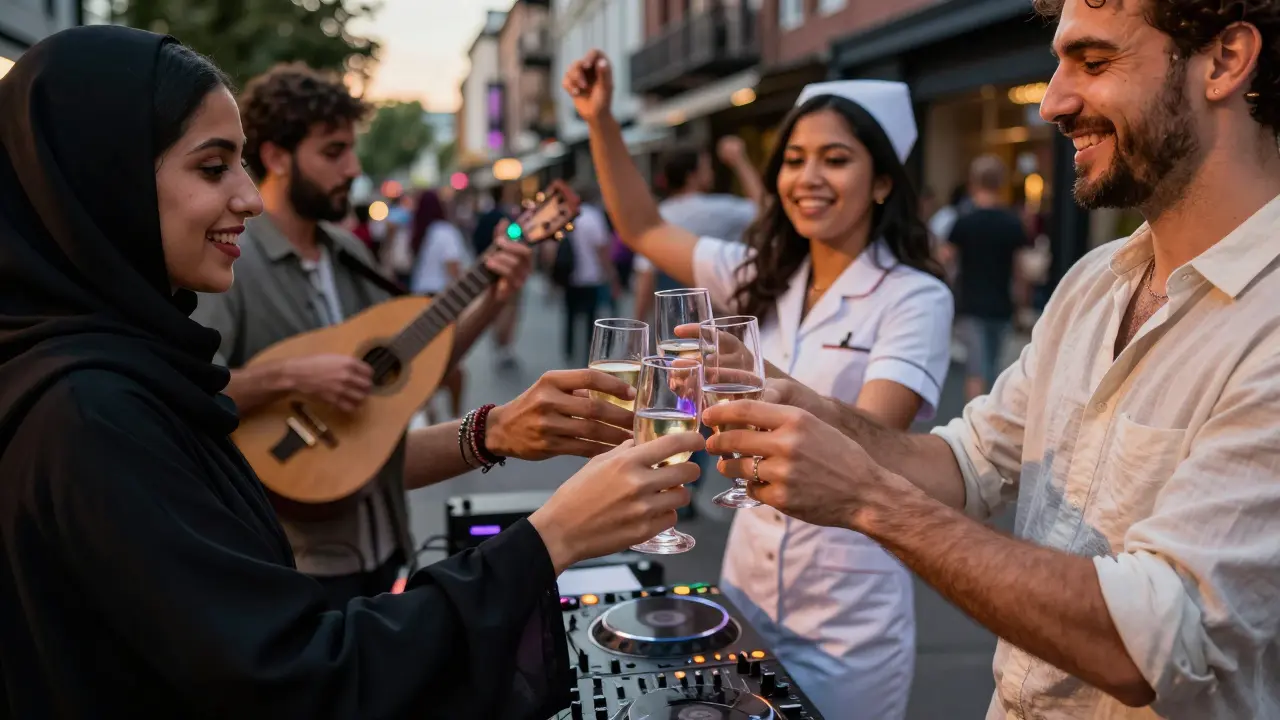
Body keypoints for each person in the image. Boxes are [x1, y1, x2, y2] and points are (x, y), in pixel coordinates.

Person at [0, 26, 705, 718]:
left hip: (373, 552)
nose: (245, 195)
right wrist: (553, 535)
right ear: (103, 177)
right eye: (214, 167)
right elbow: (294, 676)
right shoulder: (91, 412)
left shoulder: (130, 363)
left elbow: (381, 407)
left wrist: (491, 427)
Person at [706, 0, 1280, 717]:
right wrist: (817, 412)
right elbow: (969, 462)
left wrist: (867, 499)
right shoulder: (1092, 283)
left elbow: (1160, 637)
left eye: (1095, 63)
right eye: (1058, 65)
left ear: (1226, 60)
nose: (1052, 102)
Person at [564, 51, 954, 720]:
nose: (808, 177)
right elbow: (643, 227)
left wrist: (759, 381)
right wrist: (600, 120)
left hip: (844, 619)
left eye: (836, 159)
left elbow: (878, 441)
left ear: (883, 181)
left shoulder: (914, 297)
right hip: (742, 598)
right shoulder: (756, 274)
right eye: (795, 159)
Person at [188, 62, 642, 608]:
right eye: (333, 152)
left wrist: (494, 293)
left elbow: (410, 365)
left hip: (387, 545)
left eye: (352, 150)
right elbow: (186, 394)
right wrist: (291, 375)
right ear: (277, 157)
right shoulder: (231, 261)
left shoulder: (349, 253)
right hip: (294, 563)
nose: (354, 168)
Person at [631, 137, 763, 323]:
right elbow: (763, 209)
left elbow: (645, 275)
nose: (711, 172)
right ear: (692, 175)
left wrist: (639, 321)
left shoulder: (659, 216)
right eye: (706, 167)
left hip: (673, 319)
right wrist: (739, 161)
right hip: (719, 315)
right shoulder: (720, 209)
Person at [944, 154, 1030, 399]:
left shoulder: (963, 222)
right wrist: (1022, 305)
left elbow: (944, 261)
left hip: (970, 304)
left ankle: (974, 428)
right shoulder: (1012, 223)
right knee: (992, 369)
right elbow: (1020, 271)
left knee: (976, 370)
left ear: (973, 183)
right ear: (1001, 183)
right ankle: (987, 423)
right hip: (1001, 305)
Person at [409, 188, 470, 420]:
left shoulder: (417, 232)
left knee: (426, 362)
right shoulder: (445, 232)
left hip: (417, 301)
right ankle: (456, 418)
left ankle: (428, 410)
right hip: (442, 301)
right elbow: (454, 269)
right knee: (452, 361)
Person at [472, 184, 521, 369]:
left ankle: (499, 344)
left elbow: (475, 239)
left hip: (488, 268)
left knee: (494, 306)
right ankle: (505, 346)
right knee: (510, 307)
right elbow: (517, 239)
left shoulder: (485, 217)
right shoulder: (507, 218)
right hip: (508, 267)